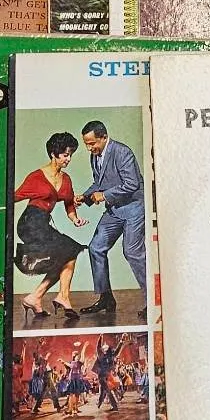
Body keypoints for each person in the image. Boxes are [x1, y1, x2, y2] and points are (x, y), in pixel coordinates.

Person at [75, 120, 147, 315]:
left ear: (104, 137)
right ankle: (106, 298)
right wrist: (85, 197)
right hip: (115, 210)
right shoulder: (95, 156)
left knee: (132, 252)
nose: (89, 148)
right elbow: (99, 183)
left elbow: (132, 184)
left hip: (134, 209)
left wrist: (104, 196)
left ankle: (153, 300)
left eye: (92, 143)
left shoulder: (122, 152)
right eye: (86, 144)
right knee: (96, 248)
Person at [14, 131, 88, 319]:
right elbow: (13, 197)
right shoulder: (36, 177)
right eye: (65, 155)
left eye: (70, 155)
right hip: (30, 223)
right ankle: (51, 297)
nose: (68, 159)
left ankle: (41, 297)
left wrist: (75, 219)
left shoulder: (66, 179)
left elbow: (69, 204)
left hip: (44, 223)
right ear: (53, 154)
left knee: (69, 255)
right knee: (68, 250)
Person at [93, 335, 125, 411]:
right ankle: (114, 406)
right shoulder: (100, 355)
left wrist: (121, 341)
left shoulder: (110, 356)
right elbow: (98, 346)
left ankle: (100, 403)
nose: (105, 348)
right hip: (101, 376)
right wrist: (100, 338)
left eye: (106, 347)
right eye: (104, 347)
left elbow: (117, 350)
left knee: (104, 390)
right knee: (107, 390)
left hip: (107, 375)